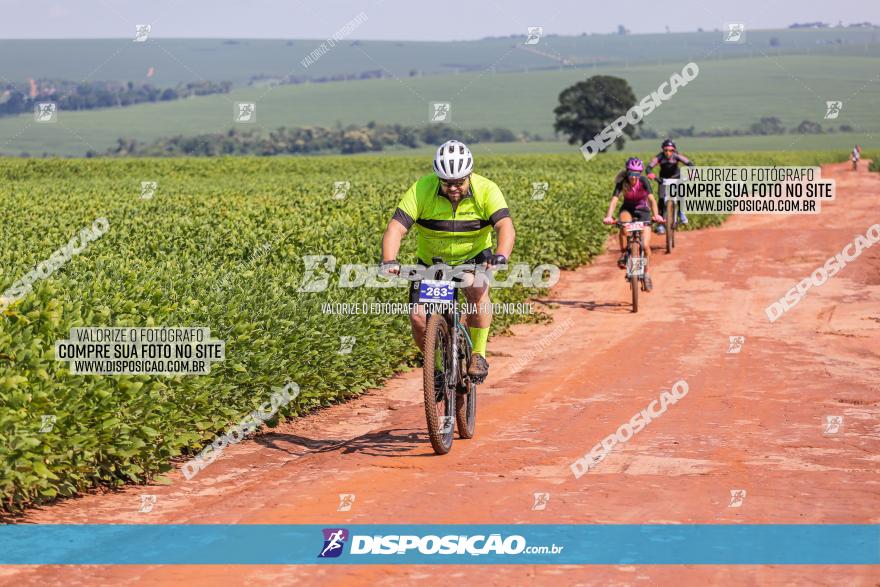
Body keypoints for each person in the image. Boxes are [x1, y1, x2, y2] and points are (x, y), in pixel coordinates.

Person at [379, 140, 515, 382]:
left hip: (473, 257)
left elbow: (505, 226)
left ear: (469, 175)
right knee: (419, 317)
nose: (453, 188)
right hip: (432, 262)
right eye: (447, 183)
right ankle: (438, 369)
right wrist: (389, 260)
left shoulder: (487, 189)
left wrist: (501, 254)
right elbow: (395, 229)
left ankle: (478, 354)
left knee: (475, 288)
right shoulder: (422, 189)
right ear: (437, 177)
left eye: (459, 183)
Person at [603, 158, 664, 292]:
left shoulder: (644, 181)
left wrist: (656, 215)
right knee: (623, 227)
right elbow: (614, 200)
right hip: (628, 209)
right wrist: (608, 216)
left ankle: (646, 273)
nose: (634, 177)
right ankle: (624, 254)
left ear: (640, 173)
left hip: (643, 211)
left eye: (637, 174)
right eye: (631, 173)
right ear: (627, 172)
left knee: (646, 245)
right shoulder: (621, 182)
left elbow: (652, 200)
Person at [646, 139, 695, 234]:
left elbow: (690, 164)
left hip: (677, 178)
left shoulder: (677, 156)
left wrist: (691, 173)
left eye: (671, 150)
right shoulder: (659, 157)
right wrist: (651, 175)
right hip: (663, 180)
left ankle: (681, 213)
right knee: (660, 199)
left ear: (674, 150)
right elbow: (648, 168)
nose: (668, 152)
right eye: (665, 150)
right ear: (662, 150)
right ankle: (661, 223)